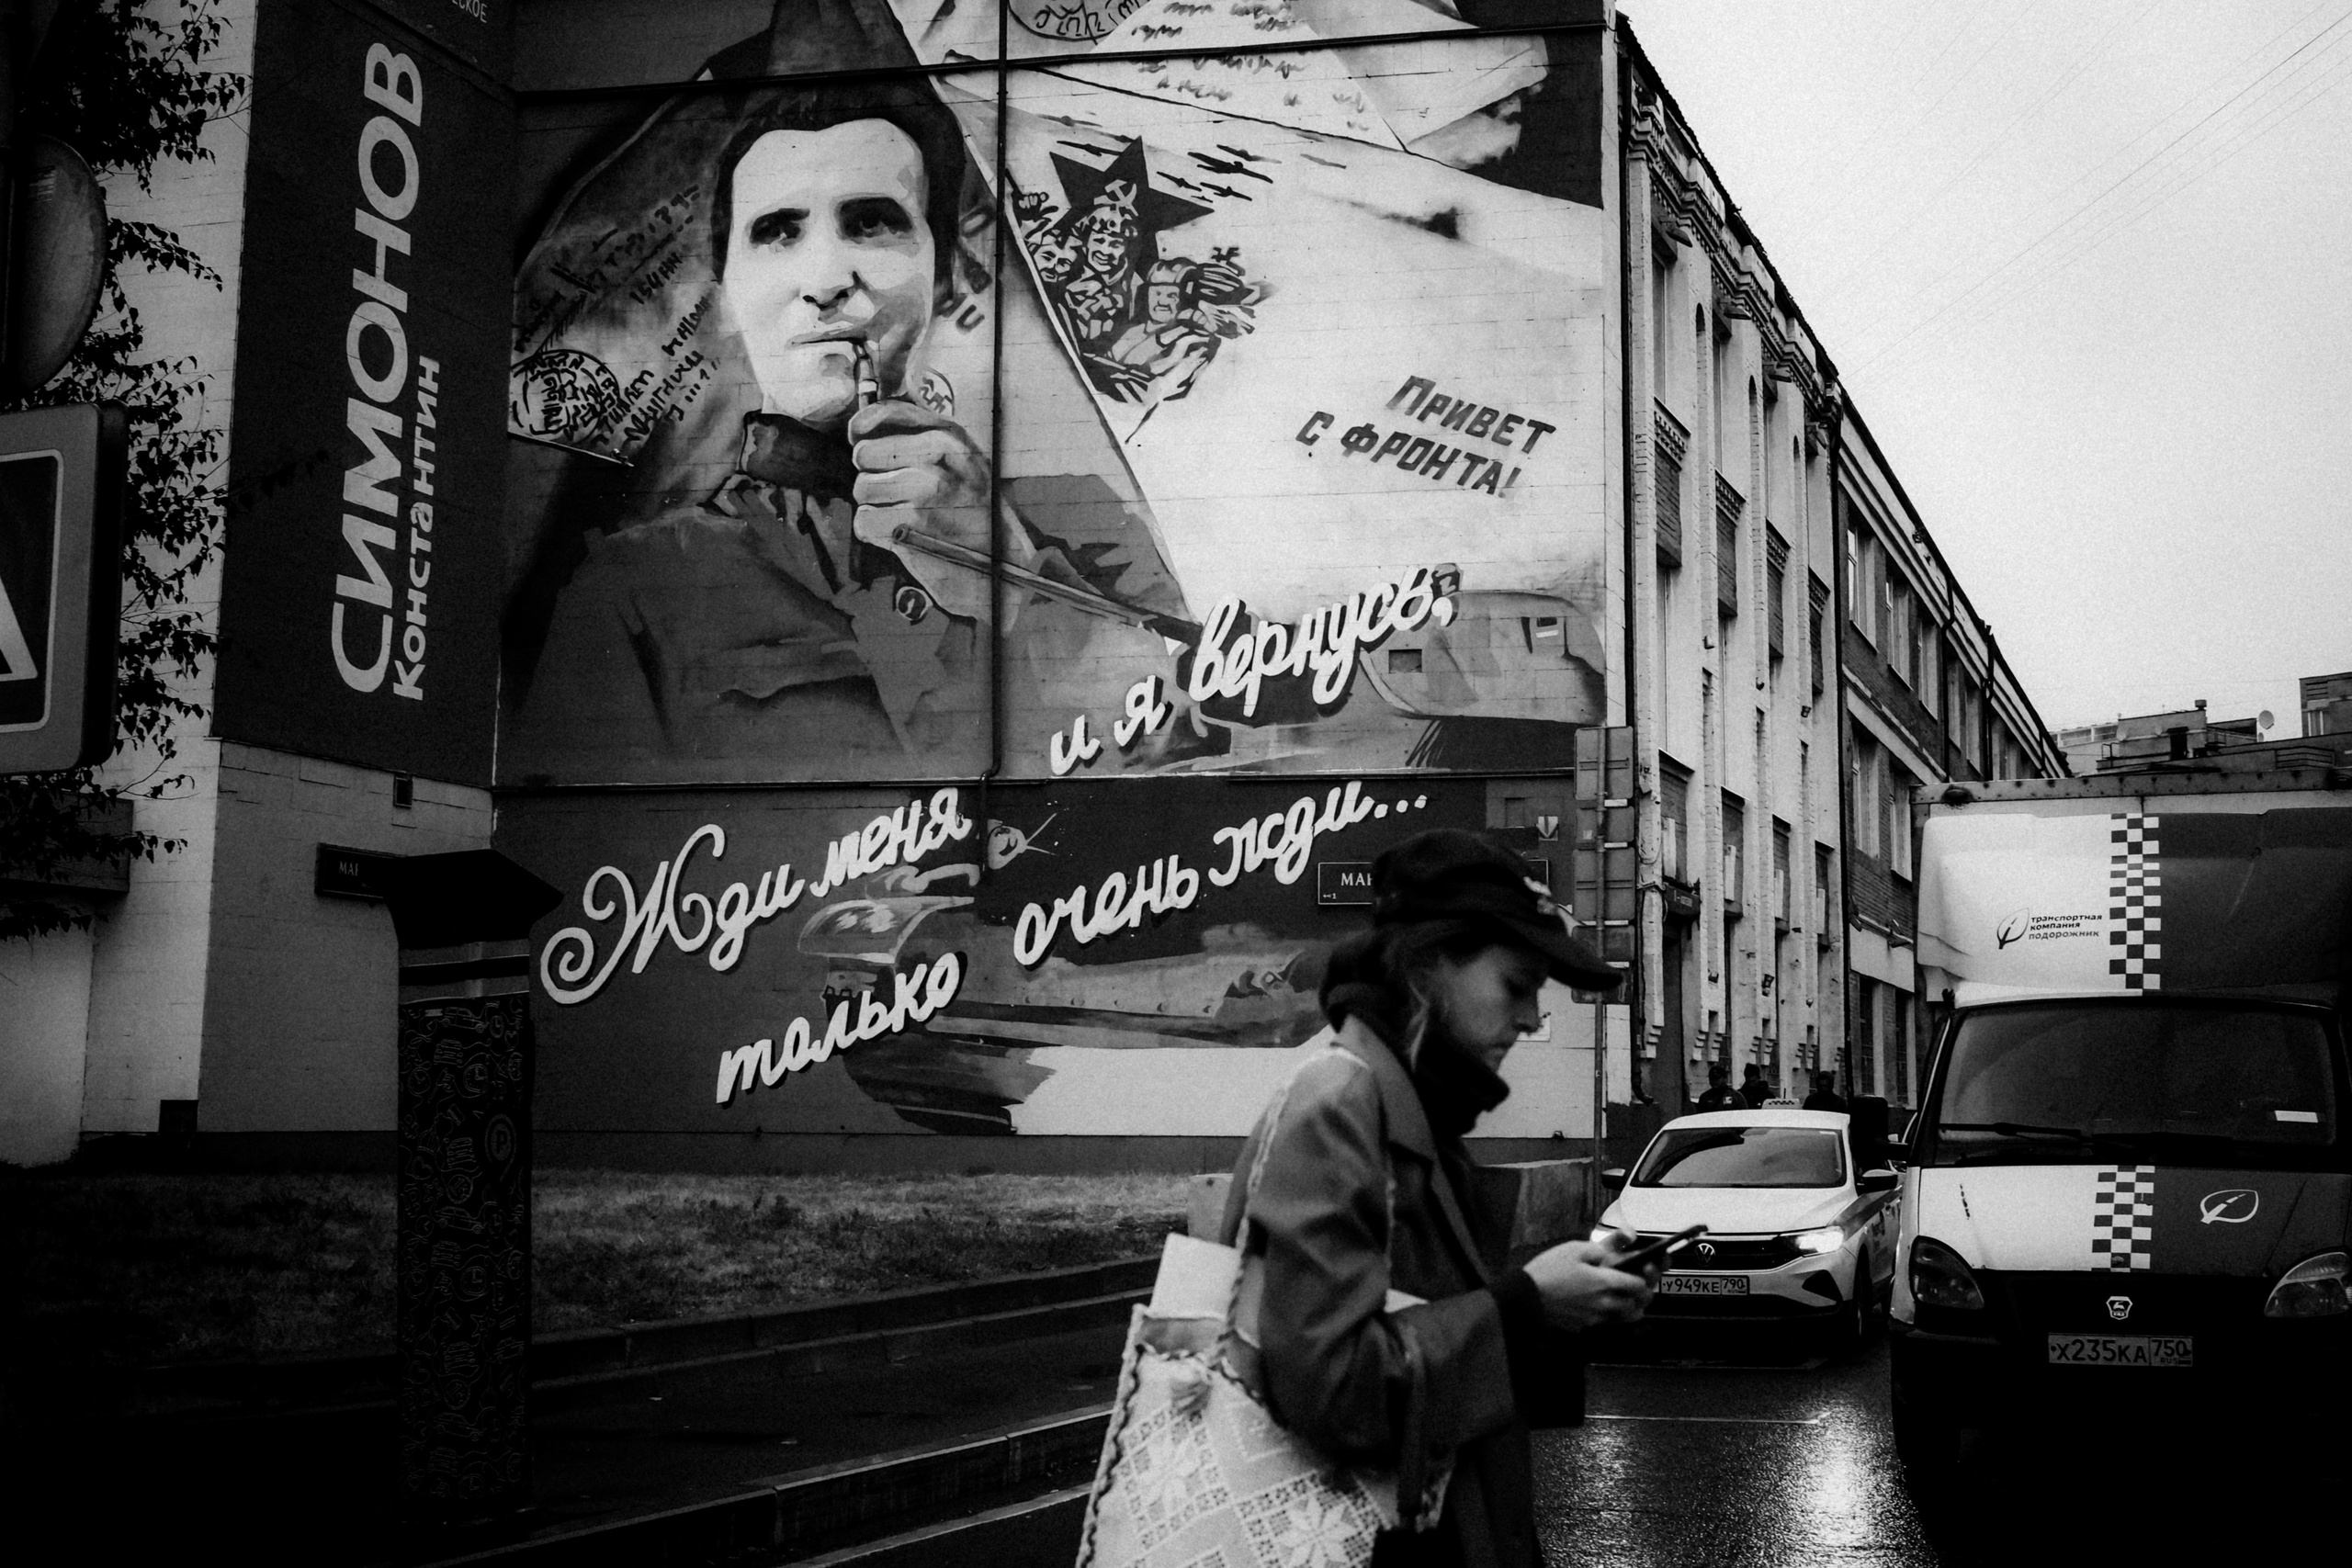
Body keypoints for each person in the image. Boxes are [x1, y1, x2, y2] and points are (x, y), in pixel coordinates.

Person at [513, 86, 1186, 783]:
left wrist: (1014, 579)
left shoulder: (1084, 520)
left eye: (871, 222)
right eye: (776, 231)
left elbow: (1186, 768)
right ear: (729, 294)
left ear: (944, 267)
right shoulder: (635, 589)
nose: (827, 278)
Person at [1221, 830, 1657, 1568]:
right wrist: (1526, 1305)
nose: (1529, 1018)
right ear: (1429, 966)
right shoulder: (1341, 1104)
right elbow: (1332, 1389)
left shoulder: (1415, 1109)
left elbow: (1450, 1360)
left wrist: (1575, 1312)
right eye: (1515, 986)